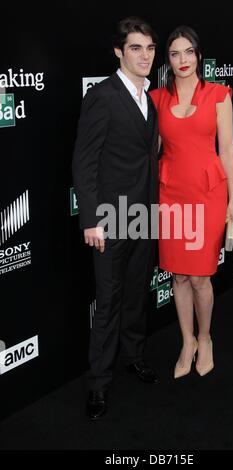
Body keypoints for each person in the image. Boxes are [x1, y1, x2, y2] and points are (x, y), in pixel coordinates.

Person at [72, 16, 159, 420]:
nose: (144, 55)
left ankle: (134, 356)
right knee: (107, 303)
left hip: (143, 216)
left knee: (137, 294)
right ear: (119, 52)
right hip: (109, 219)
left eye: (149, 48)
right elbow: (84, 161)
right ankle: (98, 385)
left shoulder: (151, 99)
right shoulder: (103, 96)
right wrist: (91, 220)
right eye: (136, 48)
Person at [150, 26, 233, 379]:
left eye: (188, 52)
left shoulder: (219, 95)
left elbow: (228, 150)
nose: (183, 60)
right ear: (167, 60)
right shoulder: (157, 99)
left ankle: (206, 338)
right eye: (175, 54)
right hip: (171, 194)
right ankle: (186, 341)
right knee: (179, 276)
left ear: (199, 55)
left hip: (208, 194)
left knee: (200, 277)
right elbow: (151, 151)